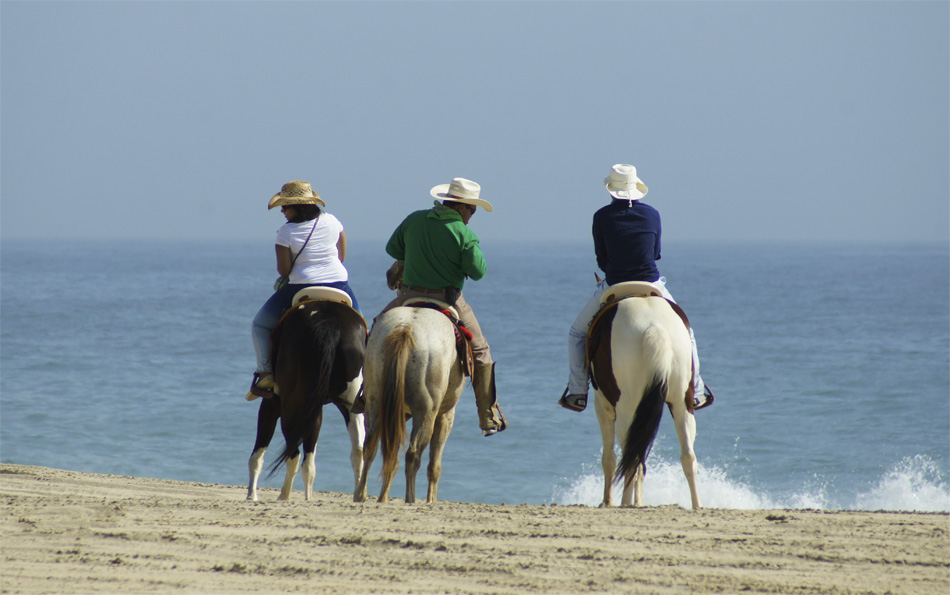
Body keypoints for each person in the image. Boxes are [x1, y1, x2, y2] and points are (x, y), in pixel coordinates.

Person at [558, 164, 713, 412]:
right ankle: (696, 390)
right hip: (652, 283)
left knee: (576, 333)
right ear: (636, 188)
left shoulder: (601, 216)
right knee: (687, 333)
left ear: (611, 189)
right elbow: (656, 253)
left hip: (615, 283)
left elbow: (601, 259)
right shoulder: (653, 214)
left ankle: (577, 391)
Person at [378, 177, 507, 436]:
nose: (471, 216)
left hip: (407, 297)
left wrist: (418, 255)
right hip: (448, 299)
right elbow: (479, 272)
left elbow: (393, 248)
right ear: (461, 207)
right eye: (472, 210)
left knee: (375, 332)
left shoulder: (414, 219)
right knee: (481, 350)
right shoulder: (464, 233)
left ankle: (365, 392)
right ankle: (487, 415)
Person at [246, 180, 361, 401]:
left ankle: (265, 373)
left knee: (259, 325)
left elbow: (284, 270)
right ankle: (367, 380)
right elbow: (341, 256)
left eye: (285, 206)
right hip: (338, 283)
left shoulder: (285, 232)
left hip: (301, 286)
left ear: (298, 207)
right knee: (362, 327)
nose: (282, 211)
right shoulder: (332, 221)